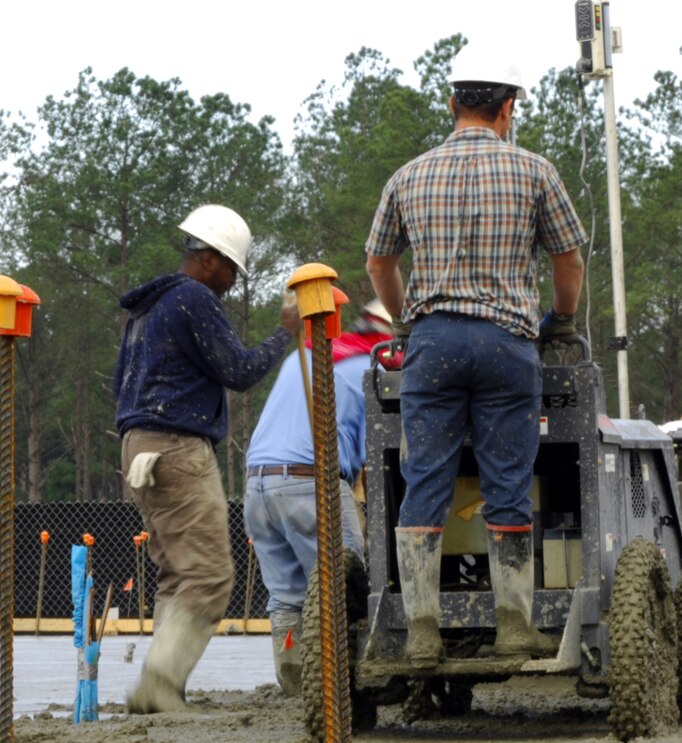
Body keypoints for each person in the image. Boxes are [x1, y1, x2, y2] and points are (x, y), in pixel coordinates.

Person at [365, 48, 587, 664]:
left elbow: (379, 261)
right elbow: (568, 259)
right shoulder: (535, 171)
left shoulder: (409, 176)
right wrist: (561, 321)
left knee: (425, 482)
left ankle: (422, 632)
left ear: (452, 103)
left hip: (432, 345)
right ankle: (514, 626)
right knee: (508, 481)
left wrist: (407, 319)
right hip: (507, 345)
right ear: (507, 108)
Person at [115, 204, 299, 712]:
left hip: (139, 447)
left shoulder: (148, 307)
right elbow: (237, 370)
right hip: (176, 447)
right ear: (212, 258)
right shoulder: (194, 298)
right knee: (210, 575)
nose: (233, 284)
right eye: (233, 271)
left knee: (178, 572)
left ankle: (160, 686)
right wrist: (286, 331)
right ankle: (159, 684)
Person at [243, 296, 394, 695]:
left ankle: (298, 685)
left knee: (287, 598)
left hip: (258, 485)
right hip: (311, 483)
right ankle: (351, 689)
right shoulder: (374, 368)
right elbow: (381, 458)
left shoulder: (307, 354)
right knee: (347, 582)